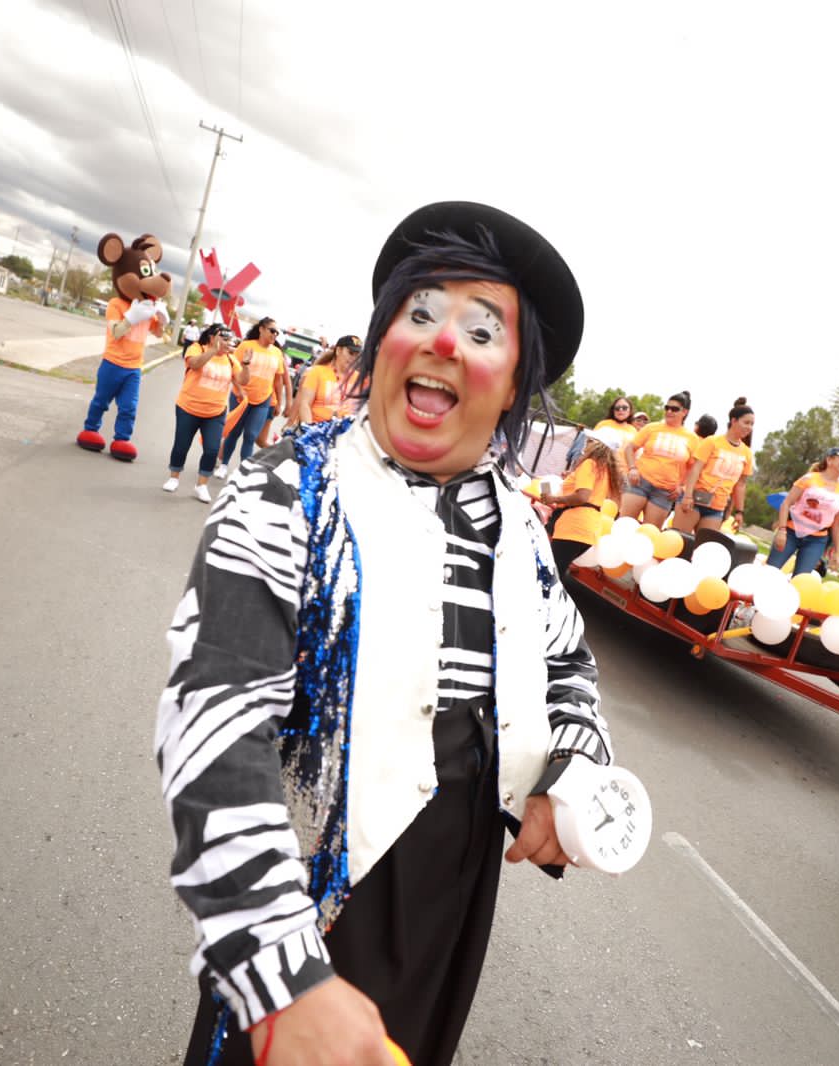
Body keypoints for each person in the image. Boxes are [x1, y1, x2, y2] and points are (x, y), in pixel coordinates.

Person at [156, 201, 612, 1066]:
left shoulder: (520, 526)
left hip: (456, 884)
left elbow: (566, 661)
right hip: (312, 891)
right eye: (421, 312)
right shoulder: (288, 488)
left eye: (482, 330)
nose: (442, 341)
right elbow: (216, 722)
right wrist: (278, 974)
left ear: (513, 384)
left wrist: (571, 767)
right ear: (382, 343)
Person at [74, 233, 171, 462]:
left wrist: (162, 320)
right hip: (112, 363)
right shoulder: (116, 304)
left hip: (134, 368)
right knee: (101, 401)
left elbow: (158, 333)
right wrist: (131, 318)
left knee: (129, 407)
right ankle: (90, 429)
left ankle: (122, 439)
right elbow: (116, 332)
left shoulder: (147, 307)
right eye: (144, 271)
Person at [164, 323, 248, 502]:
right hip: (188, 407)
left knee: (212, 449)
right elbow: (194, 364)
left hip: (215, 412)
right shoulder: (197, 348)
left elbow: (243, 380)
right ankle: (174, 477)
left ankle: (201, 485)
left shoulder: (230, 359)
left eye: (229, 339)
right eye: (224, 338)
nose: (227, 342)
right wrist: (213, 350)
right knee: (181, 445)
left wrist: (246, 365)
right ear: (212, 337)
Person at [540, 428, 624, 573]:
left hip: (574, 524)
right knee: (554, 572)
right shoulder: (605, 469)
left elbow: (582, 496)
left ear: (597, 444)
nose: (586, 443)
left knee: (549, 574)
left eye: (590, 440)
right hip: (589, 528)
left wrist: (553, 499)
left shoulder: (590, 463)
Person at [767, 446, 839, 575]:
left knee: (801, 579)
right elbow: (786, 504)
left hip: (816, 541)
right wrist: (782, 531)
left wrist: (837, 552)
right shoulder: (808, 479)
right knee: (770, 571)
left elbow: (838, 524)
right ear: (830, 460)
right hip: (790, 533)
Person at [215, 317, 286, 477]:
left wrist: (278, 403)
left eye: (277, 333)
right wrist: (240, 390)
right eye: (272, 331)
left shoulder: (277, 353)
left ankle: (243, 471)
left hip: (263, 400)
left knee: (251, 435)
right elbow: (233, 369)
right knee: (234, 432)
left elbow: (278, 379)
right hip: (241, 398)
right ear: (261, 329)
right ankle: (224, 465)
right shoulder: (246, 346)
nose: (274, 335)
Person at [619, 391, 703, 525]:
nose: (669, 411)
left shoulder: (692, 438)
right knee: (624, 524)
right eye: (667, 407)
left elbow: (694, 469)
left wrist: (682, 487)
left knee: (649, 533)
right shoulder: (652, 427)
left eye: (674, 409)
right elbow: (629, 448)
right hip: (639, 482)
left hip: (665, 492)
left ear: (685, 412)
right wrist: (632, 468)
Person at [675, 398, 754, 534]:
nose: (749, 427)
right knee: (680, 540)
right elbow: (696, 469)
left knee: (705, 544)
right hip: (694, 499)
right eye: (746, 423)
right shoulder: (712, 442)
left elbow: (740, 485)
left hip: (717, 507)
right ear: (734, 421)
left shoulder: (747, 453)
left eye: (752, 424)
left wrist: (738, 511)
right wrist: (687, 496)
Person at [289, 335, 361, 427]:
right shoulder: (317, 372)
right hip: (316, 428)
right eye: (351, 353)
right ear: (338, 351)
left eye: (357, 355)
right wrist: (310, 429)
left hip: (344, 432)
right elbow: (305, 404)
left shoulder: (359, 379)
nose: (354, 358)